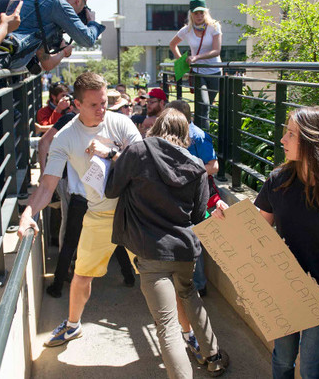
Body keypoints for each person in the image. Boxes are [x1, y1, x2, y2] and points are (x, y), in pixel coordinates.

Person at [212, 106, 319, 379]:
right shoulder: (278, 180)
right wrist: (227, 219)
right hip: (282, 287)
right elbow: (257, 228)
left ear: (312, 141)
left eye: (290, 134)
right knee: (283, 360)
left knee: (312, 369)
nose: (282, 140)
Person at [17, 72, 141, 347]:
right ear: (77, 105)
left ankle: (186, 333)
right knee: (82, 276)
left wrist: (110, 154)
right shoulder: (65, 137)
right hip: (98, 214)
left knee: (158, 273)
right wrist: (28, 214)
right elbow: (48, 185)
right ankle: (73, 325)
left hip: (133, 212)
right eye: (95, 105)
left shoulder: (121, 123)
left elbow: (143, 167)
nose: (102, 110)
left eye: (104, 102)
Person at [105, 109, 229, 378]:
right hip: (185, 251)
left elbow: (111, 189)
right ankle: (214, 357)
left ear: (157, 126)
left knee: (167, 325)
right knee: (190, 298)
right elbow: (197, 216)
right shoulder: (196, 164)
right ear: (185, 134)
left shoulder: (137, 152)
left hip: (150, 252)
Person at [166, 99, 219, 296]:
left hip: (195, 195)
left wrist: (185, 174)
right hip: (180, 194)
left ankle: (199, 285)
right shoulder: (174, 135)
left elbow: (213, 167)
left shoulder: (197, 136)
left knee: (194, 237)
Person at [6, 0, 104, 71]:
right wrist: (92, 22)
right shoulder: (58, 2)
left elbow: (46, 62)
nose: (83, 9)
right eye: (84, 4)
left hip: (2, 54)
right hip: (5, 56)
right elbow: (87, 40)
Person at [169, 0, 222, 117]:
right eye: (196, 13)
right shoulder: (186, 30)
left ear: (206, 13)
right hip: (198, 72)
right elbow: (172, 44)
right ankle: (201, 132)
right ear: (191, 14)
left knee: (207, 108)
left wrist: (196, 57)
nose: (199, 16)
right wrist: (182, 61)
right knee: (204, 104)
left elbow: (216, 51)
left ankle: (203, 132)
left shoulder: (214, 27)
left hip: (215, 71)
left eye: (201, 13)